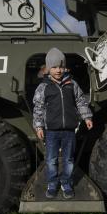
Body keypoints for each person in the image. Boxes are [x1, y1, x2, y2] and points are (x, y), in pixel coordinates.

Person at [33, 47, 93, 199]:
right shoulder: (43, 87)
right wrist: (39, 126)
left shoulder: (72, 84)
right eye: (54, 67)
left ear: (65, 67)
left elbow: (80, 101)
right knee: (51, 159)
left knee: (68, 159)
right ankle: (52, 183)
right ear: (48, 69)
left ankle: (66, 182)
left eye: (60, 66)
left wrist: (87, 117)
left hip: (69, 131)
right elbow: (38, 108)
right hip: (51, 131)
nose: (58, 70)